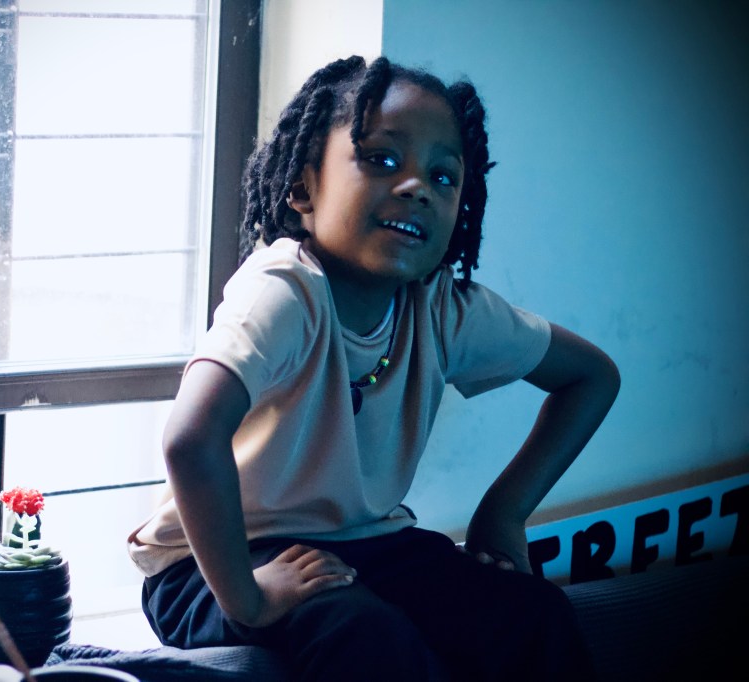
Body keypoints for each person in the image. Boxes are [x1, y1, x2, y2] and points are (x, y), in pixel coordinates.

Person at [127, 55, 620, 681]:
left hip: (368, 543)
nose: (418, 187)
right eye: (383, 159)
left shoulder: (441, 308)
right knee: (364, 635)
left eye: (443, 176)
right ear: (303, 188)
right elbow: (191, 439)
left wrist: (505, 512)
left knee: (532, 614)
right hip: (215, 560)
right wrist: (247, 599)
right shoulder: (284, 291)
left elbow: (591, 378)